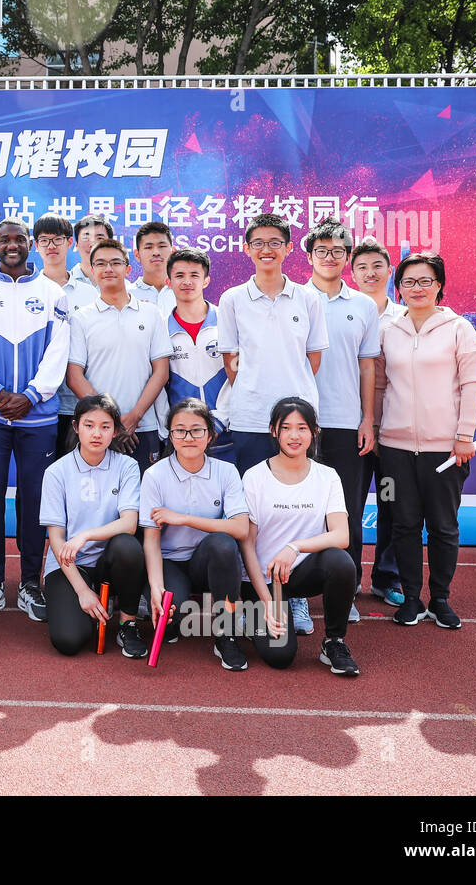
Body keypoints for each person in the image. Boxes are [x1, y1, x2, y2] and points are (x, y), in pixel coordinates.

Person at [218, 212, 329, 634]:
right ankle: (253, 593)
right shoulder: (231, 299)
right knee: (252, 511)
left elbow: (313, 358)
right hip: (247, 417)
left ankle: (295, 596)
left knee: (298, 511)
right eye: (258, 242)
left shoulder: (307, 298)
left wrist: (291, 401)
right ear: (247, 249)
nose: (266, 249)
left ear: (287, 248)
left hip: (297, 421)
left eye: (275, 242)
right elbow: (231, 360)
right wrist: (257, 389)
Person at [0, 218, 71, 623]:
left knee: (35, 501)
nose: (12, 245)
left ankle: (29, 583)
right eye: (5, 240)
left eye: (19, 239)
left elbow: (57, 353)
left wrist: (30, 396)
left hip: (37, 416)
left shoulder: (53, 294)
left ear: (29, 245)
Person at [375, 253, 476, 629]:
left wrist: (464, 435)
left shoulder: (459, 329)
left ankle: (439, 599)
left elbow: (472, 385)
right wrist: (373, 429)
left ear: (439, 285)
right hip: (394, 449)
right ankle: (410, 598)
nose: (416, 289)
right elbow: (378, 385)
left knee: (443, 525)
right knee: (402, 524)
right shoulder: (388, 330)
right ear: (399, 288)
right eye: (408, 282)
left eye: (425, 281)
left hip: (445, 450)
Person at [239, 397, 360, 675]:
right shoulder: (255, 477)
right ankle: (254, 614)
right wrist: (267, 603)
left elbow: (341, 536)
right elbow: (247, 546)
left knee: (340, 561)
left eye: (302, 428)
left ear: (314, 432)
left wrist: (295, 546)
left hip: (302, 572)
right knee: (280, 657)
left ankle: (334, 642)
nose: (294, 436)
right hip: (265, 581)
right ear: (273, 431)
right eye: (286, 428)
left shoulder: (327, 476)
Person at [301, 217, 379, 623]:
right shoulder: (294, 298)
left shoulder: (364, 305)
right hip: (299, 425)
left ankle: (343, 593)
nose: (329, 257)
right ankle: (292, 593)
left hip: (347, 422)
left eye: (337, 251)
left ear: (347, 257)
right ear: (309, 256)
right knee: (294, 509)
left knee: (346, 511)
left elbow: (368, 367)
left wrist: (367, 419)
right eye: (321, 251)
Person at [140, 398, 251, 671]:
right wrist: (155, 589)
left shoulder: (226, 472)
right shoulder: (155, 475)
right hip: (170, 562)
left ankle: (225, 634)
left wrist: (184, 519)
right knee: (173, 616)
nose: (188, 437)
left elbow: (240, 528)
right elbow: (151, 541)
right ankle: (164, 609)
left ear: (210, 435)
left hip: (205, 560)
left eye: (197, 430)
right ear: (169, 433)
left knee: (224, 544)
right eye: (180, 430)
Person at [40, 395, 144, 657]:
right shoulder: (57, 472)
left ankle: (127, 623)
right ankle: (92, 601)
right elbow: (56, 539)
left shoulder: (127, 466)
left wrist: (85, 536)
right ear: (76, 427)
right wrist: (83, 591)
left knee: (128, 546)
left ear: (115, 430)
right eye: (89, 425)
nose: (96, 433)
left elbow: (130, 523)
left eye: (105, 426)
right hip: (70, 565)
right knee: (69, 641)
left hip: (110, 561)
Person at [66, 238, 172, 474]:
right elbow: (74, 377)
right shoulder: (81, 319)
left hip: (143, 426)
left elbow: (161, 372)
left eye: (115, 262)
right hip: (97, 431)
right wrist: (109, 422)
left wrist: (134, 416)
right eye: (101, 264)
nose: (108, 269)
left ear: (128, 268)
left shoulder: (151, 313)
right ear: (92, 270)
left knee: (143, 502)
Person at [351, 237, 405, 606]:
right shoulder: (342, 311)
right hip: (349, 428)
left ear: (390, 271)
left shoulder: (406, 316)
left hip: (394, 431)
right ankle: (348, 578)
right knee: (348, 507)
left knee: (392, 504)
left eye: (377, 266)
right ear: (352, 274)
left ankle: (387, 577)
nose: (370, 273)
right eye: (362, 267)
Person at [35, 212, 99, 456]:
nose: (51, 246)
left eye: (57, 240)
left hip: (80, 404)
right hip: (39, 404)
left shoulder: (89, 294)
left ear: (70, 243)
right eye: (44, 240)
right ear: (35, 245)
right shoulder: (27, 290)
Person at [164, 248, 233, 461]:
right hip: (181, 436)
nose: (187, 282)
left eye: (194, 275)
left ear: (206, 281)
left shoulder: (227, 321)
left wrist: (219, 421)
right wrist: (170, 427)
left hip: (226, 433)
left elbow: (239, 376)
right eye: (179, 276)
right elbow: (158, 384)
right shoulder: (160, 329)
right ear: (168, 282)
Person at [130, 220, 178, 316]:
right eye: (148, 247)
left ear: (173, 252)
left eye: (162, 246)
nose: (156, 252)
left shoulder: (185, 292)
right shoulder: (127, 296)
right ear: (137, 255)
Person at [71, 213, 113, 286]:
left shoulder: (123, 286)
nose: (93, 244)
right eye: (86, 238)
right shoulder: (63, 285)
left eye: (99, 238)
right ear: (76, 244)